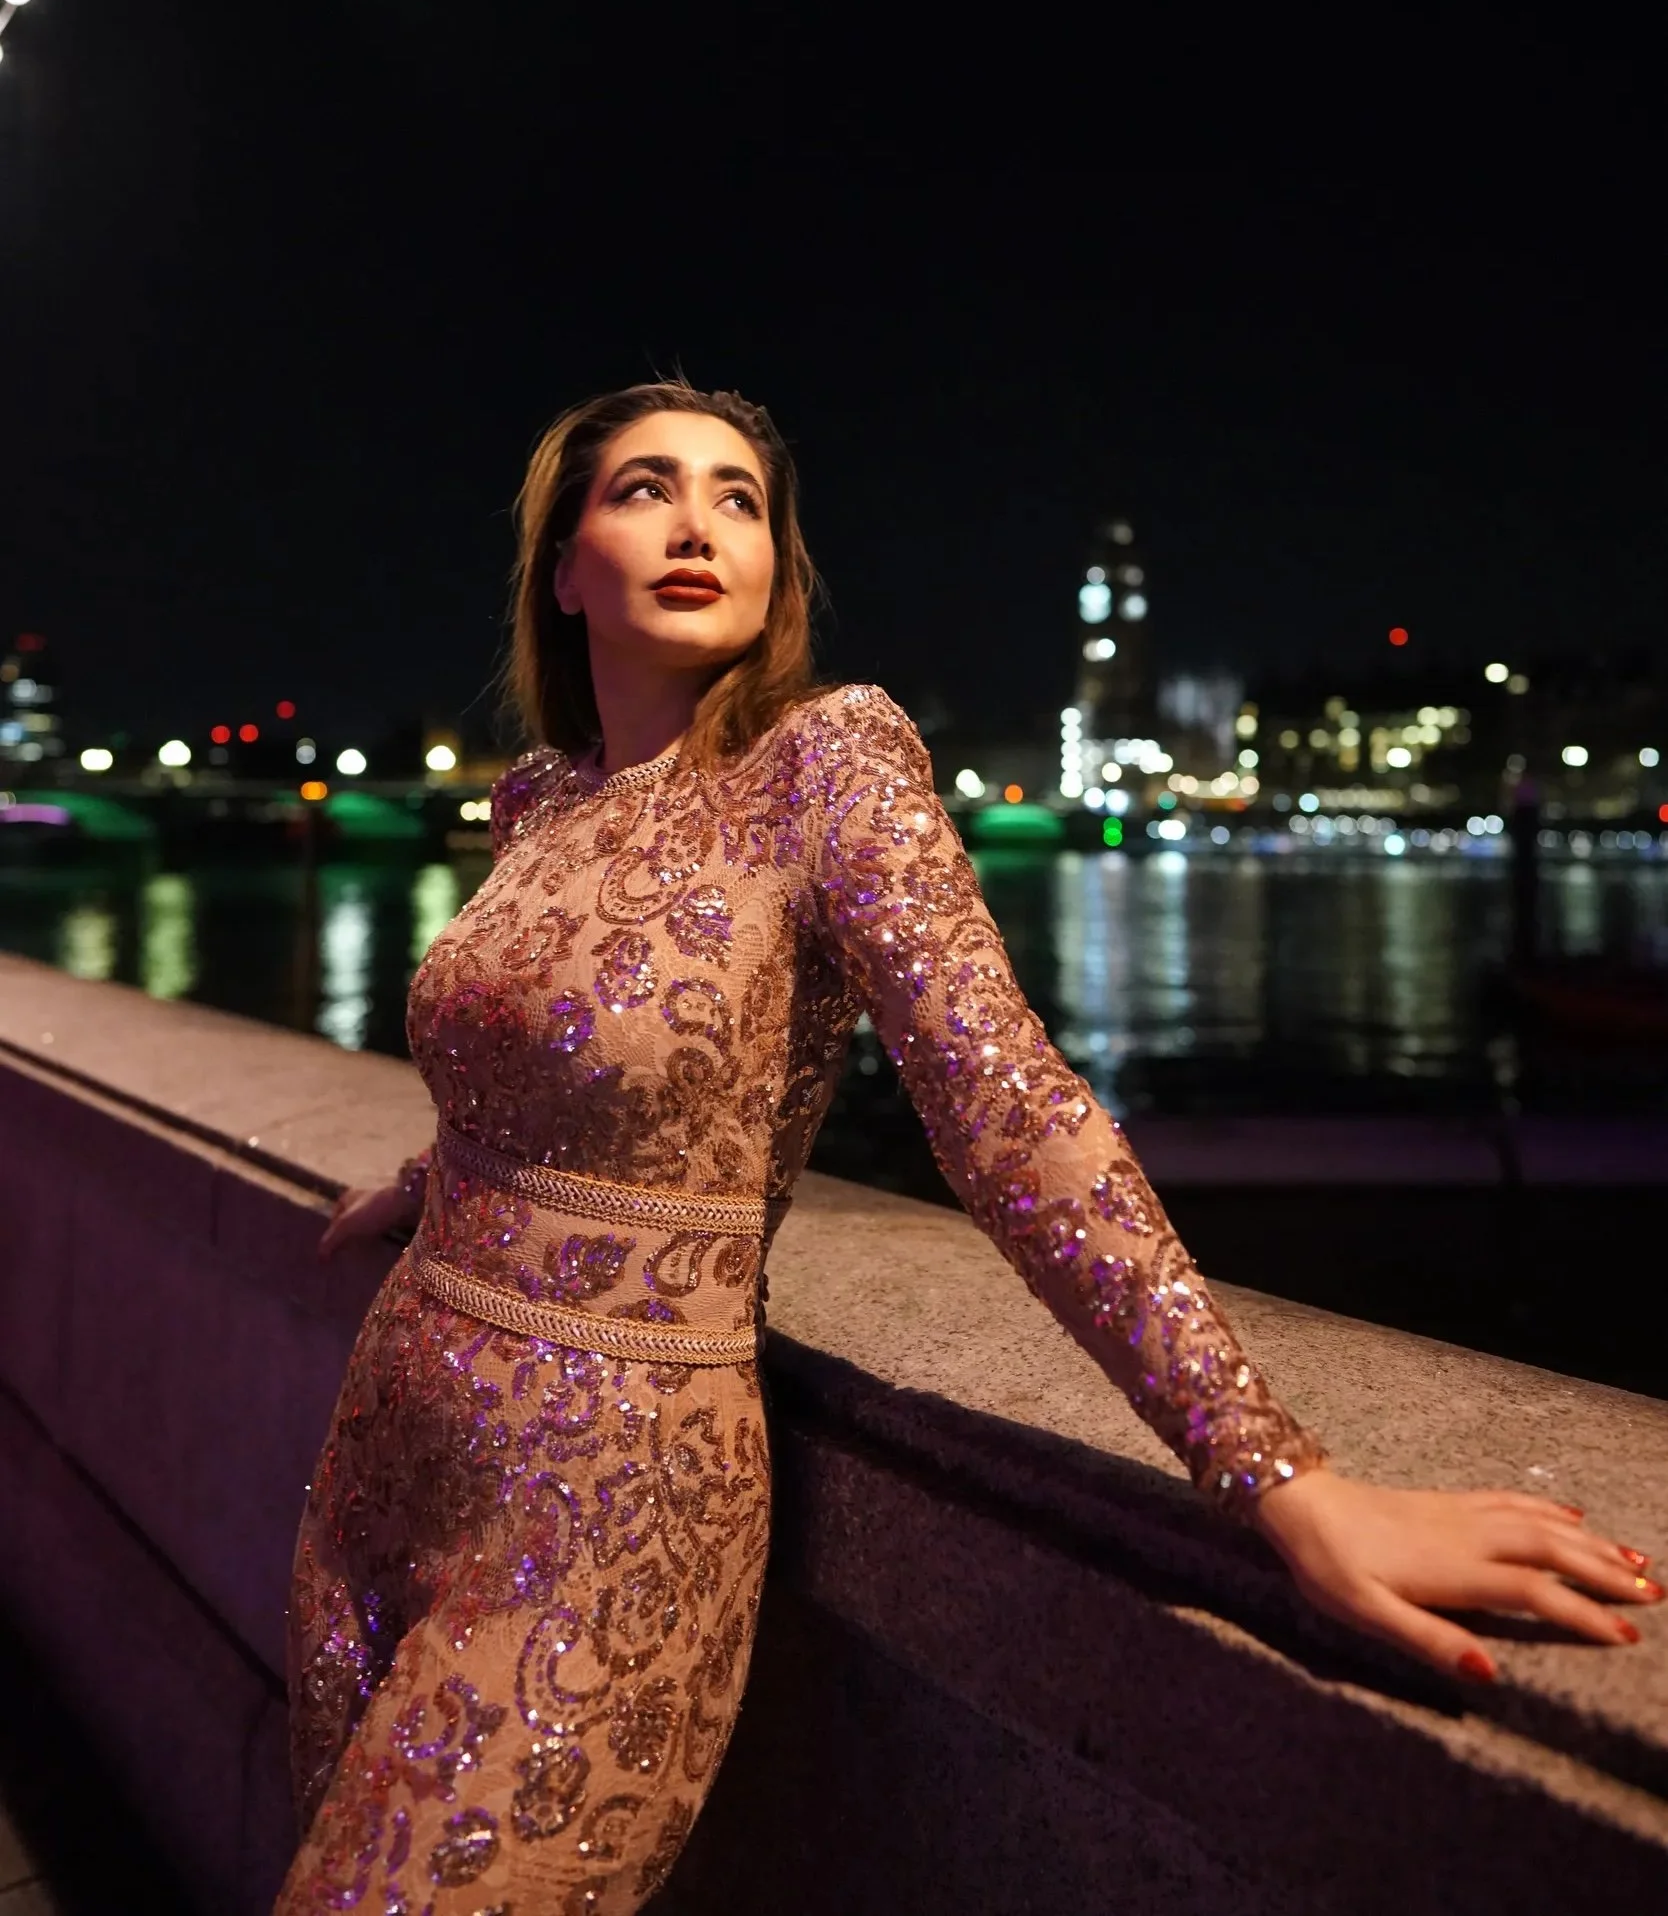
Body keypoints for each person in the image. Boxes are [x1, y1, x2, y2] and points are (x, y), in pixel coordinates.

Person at [275, 382, 1660, 1914]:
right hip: (388, 1441)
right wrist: (433, 1182)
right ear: (562, 564)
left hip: (606, 1499)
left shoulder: (827, 767)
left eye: (741, 501)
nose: (697, 525)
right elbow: (537, 1059)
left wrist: (1279, 1477)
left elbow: (1011, 1114)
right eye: (645, 489)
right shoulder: (540, 799)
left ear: (778, 568)